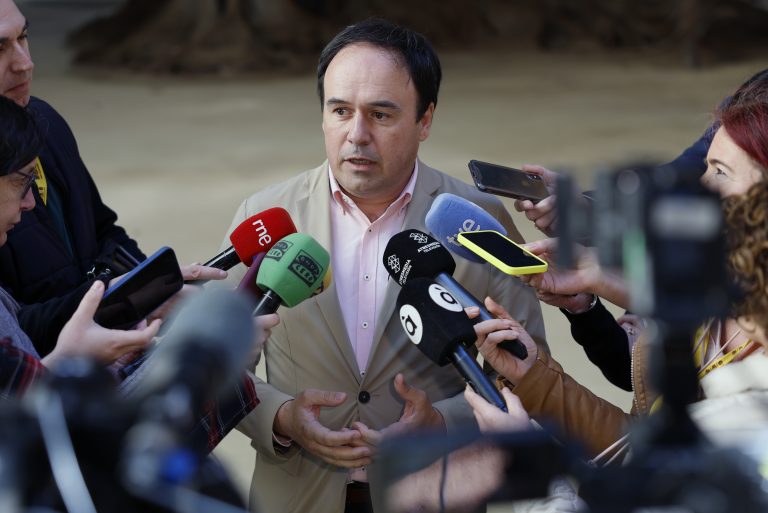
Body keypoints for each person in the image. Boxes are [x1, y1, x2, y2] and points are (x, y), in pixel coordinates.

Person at [222, 18, 545, 513]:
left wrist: (443, 422)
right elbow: (220, 364)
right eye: (340, 111)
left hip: (436, 493)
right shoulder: (265, 217)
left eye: (380, 114)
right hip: (297, 497)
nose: (357, 135)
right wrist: (282, 418)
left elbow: (530, 368)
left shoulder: (478, 219)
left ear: (425, 120)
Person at [470, 80, 768, 461]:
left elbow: (658, 480)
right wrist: (534, 377)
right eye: (705, 167)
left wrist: (532, 462)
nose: (701, 187)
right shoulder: (706, 294)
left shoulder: (749, 406)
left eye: (720, 173)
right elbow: (638, 442)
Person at [0, 0, 225, 356]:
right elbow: (12, 332)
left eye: (23, 37)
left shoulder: (45, 121)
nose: (25, 62)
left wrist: (153, 289)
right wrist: (118, 299)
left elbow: (103, 231)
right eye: (0, 48)